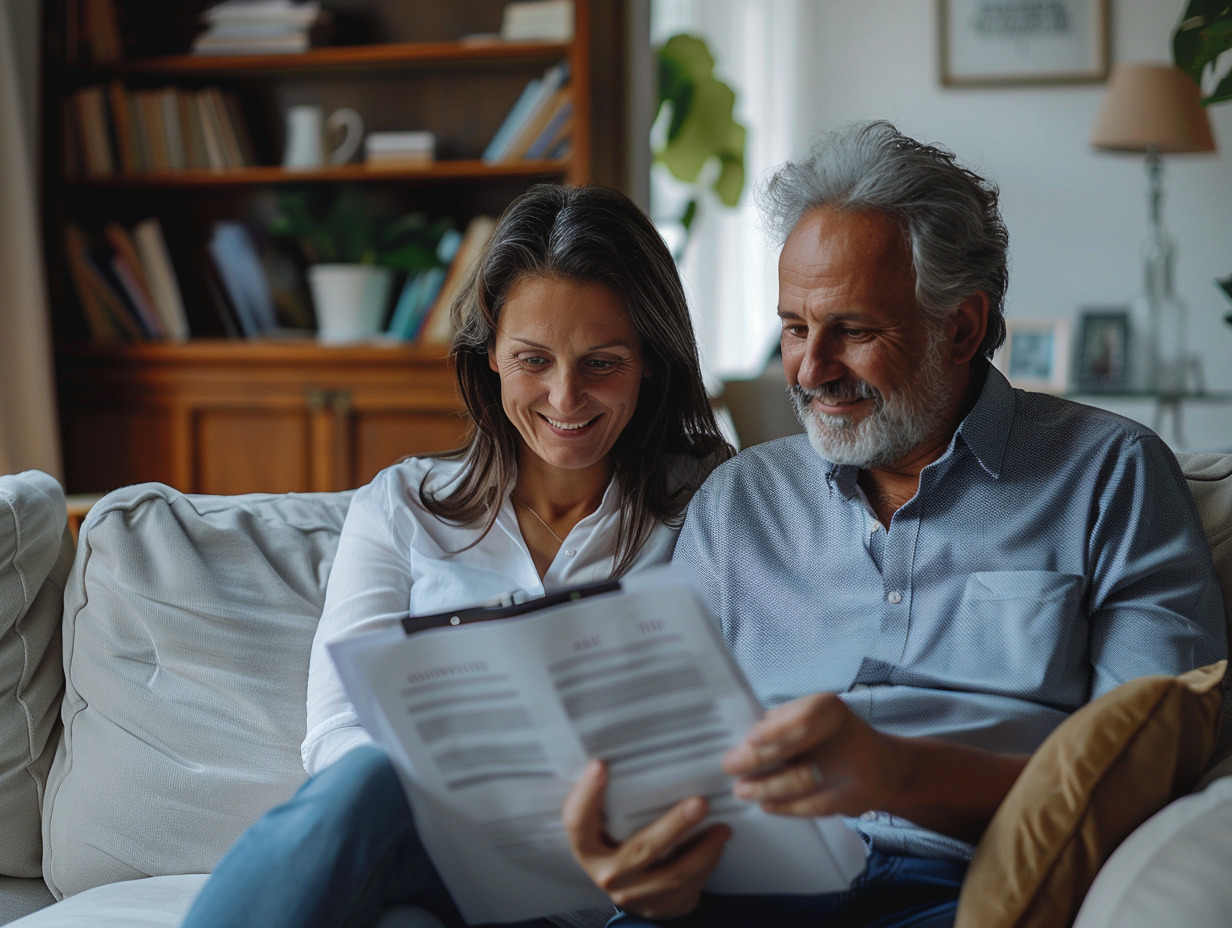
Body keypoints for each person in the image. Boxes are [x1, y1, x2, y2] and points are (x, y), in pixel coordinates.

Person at [558, 121, 1227, 927]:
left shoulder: (1108, 474)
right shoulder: (739, 502)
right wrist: (630, 850)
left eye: (854, 330)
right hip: (744, 881)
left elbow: (1145, 771)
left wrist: (893, 774)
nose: (810, 370)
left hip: (973, 883)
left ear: (964, 328)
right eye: (795, 328)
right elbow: (655, 747)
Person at [180, 182, 733, 928]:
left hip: (622, 870)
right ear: (491, 360)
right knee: (372, 776)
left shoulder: (716, 507)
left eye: (603, 363)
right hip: (445, 848)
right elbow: (338, 729)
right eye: (533, 359)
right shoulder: (402, 507)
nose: (565, 399)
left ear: (651, 364)